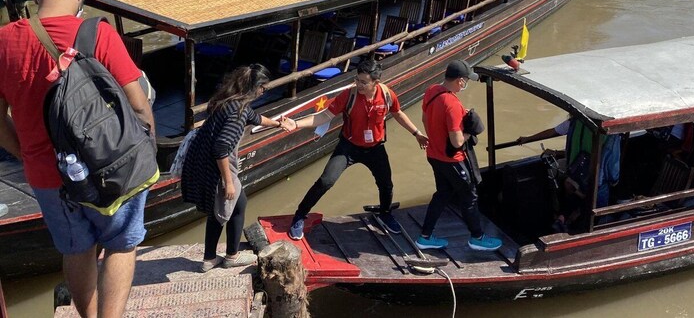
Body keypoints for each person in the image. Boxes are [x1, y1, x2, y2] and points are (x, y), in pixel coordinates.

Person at [0, 0, 155, 318]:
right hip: (107, 167)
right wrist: (145, 145)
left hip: (46, 176)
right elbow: (139, 106)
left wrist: (26, 155)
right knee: (121, 244)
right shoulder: (97, 33)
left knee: (76, 248)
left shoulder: (4, 41)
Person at [287, 59, 427, 240]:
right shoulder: (349, 96)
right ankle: (299, 215)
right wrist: (296, 124)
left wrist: (417, 133)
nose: (358, 84)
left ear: (376, 82)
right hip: (349, 147)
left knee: (386, 184)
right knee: (326, 181)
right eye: (357, 80)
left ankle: (385, 213)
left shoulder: (387, 95)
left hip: (375, 148)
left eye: (363, 82)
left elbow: (398, 113)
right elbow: (324, 116)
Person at [181, 64, 285, 272]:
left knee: (222, 209)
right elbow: (221, 148)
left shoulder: (229, 102)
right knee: (232, 206)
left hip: (202, 160)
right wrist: (228, 182)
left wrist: (278, 123)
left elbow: (255, 118)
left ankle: (210, 258)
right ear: (254, 87)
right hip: (217, 167)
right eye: (263, 88)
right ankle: (231, 256)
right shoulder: (237, 113)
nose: (263, 92)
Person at [415, 60, 502, 251]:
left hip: (434, 155)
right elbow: (457, 142)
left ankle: (425, 236)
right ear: (461, 81)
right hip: (452, 160)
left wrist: (437, 138)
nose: (465, 84)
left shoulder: (431, 91)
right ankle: (477, 237)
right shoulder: (452, 104)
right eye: (466, 81)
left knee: (442, 194)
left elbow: (424, 119)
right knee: (469, 196)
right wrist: (471, 130)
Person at [517, 116, 620, 227]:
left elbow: (554, 132)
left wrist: (528, 139)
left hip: (574, 171)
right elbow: (612, 162)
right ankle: (592, 226)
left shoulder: (574, 122)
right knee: (599, 211)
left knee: (573, 195)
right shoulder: (608, 131)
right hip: (596, 177)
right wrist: (614, 180)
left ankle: (564, 218)